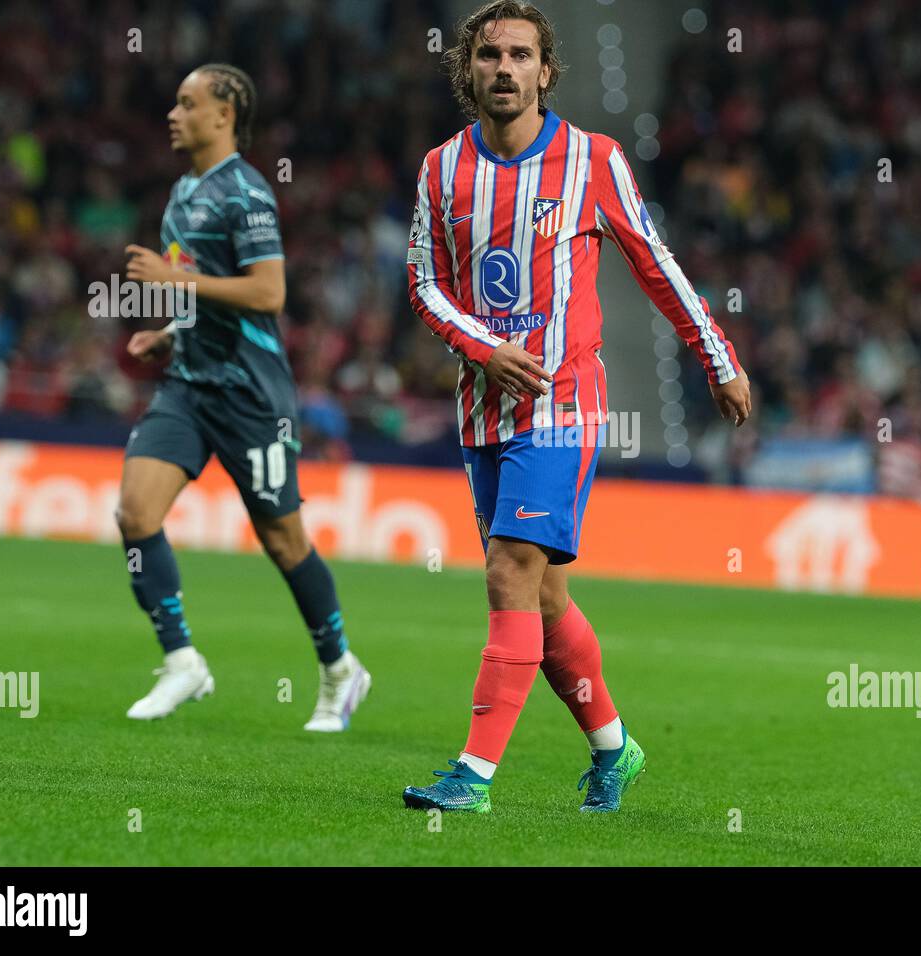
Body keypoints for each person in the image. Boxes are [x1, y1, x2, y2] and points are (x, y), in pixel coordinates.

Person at [402, 1, 751, 813]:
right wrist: (485, 349)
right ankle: (614, 748)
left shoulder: (593, 160)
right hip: (483, 407)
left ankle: (474, 777)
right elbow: (423, 285)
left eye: (520, 55)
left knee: (507, 571)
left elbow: (653, 261)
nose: (503, 69)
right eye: (488, 55)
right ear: (469, 69)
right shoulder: (439, 170)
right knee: (545, 596)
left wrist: (716, 355)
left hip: (564, 402)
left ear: (545, 71)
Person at [117, 64, 370, 731]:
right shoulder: (182, 192)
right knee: (134, 512)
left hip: (252, 397)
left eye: (187, 102)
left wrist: (172, 279)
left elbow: (267, 294)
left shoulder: (248, 193)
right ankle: (181, 661)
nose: (173, 114)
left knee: (284, 542)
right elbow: (206, 290)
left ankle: (340, 668)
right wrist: (170, 332)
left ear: (224, 113)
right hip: (189, 387)